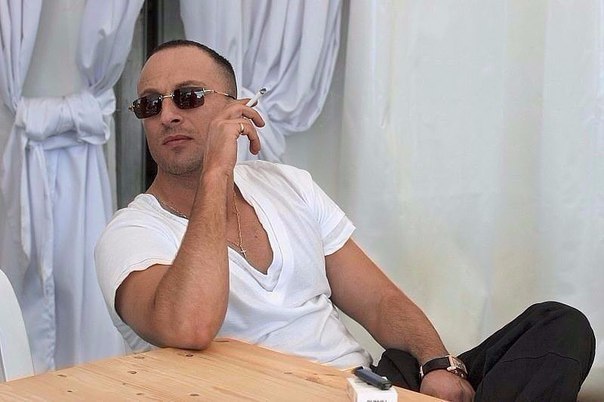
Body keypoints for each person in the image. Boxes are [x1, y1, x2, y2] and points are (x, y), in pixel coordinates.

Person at [95, 39, 595, 402]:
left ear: (237, 107)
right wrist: (216, 173)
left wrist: (437, 363)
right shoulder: (129, 234)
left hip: (366, 387)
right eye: (150, 105)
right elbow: (189, 326)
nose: (167, 115)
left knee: (559, 325)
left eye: (187, 97)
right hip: (271, 394)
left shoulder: (288, 185)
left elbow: (379, 302)